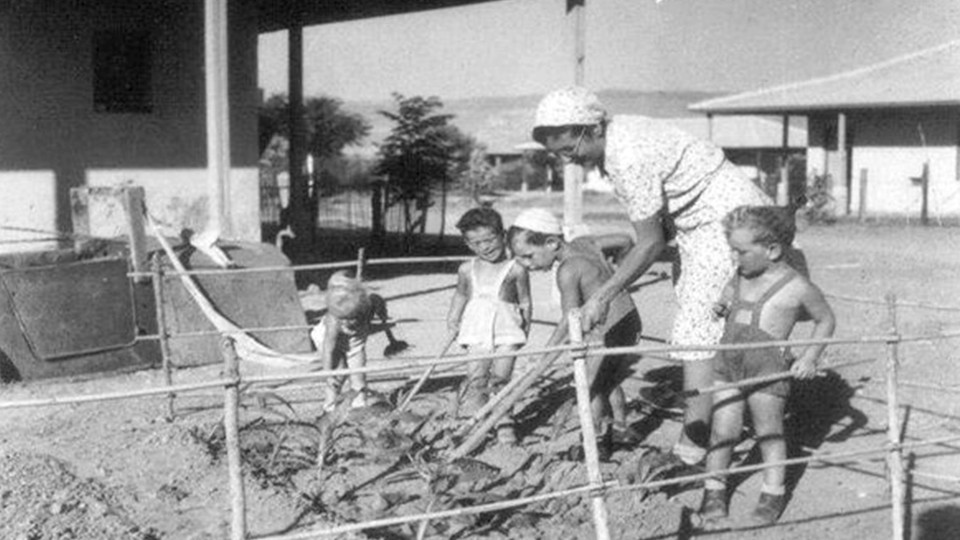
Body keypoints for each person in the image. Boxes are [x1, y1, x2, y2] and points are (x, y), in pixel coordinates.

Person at [532, 86, 777, 465]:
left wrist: (603, 294)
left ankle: (691, 448)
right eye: (559, 154)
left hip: (726, 223)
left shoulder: (627, 156)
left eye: (570, 150)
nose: (569, 161)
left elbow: (648, 243)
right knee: (708, 328)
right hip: (708, 224)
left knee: (697, 335)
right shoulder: (621, 134)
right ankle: (720, 419)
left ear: (593, 129)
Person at [698, 205, 836, 526]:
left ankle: (773, 492)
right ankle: (714, 490)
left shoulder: (796, 286)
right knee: (723, 429)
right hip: (728, 362)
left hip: (767, 368)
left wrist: (809, 357)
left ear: (772, 250)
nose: (735, 258)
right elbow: (730, 290)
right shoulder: (742, 274)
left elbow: (826, 319)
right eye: (732, 250)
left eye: (741, 252)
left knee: (768, 432)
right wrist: (722, 303)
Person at [508, 208, 642, 453]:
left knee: (588, 387)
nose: (527, 265)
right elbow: (625, 239)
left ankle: (594, 442)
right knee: (609, 379)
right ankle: (621, 429)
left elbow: (571, 321)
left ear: (551, 243)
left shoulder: (567, 270)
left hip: (607, 330)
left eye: (529, 256)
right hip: (629, 320)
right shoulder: (585, 243)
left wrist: (547, 353)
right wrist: (620, 269)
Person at [446, 207, 531, 444]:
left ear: (502, 235)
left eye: (489, 239)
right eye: (476, 243)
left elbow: (525, 301)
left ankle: (504, 423)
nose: (484, 247)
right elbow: (461, 295)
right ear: (467, 243)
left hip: (507, 332)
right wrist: (453, 318)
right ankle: (480, 421)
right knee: (477, 380)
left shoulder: (516, 269)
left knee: (501, 380)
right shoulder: (466, 269)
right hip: (475, 332)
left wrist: (526, 329)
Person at [310, 271, 388, 410]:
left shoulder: (367, 307)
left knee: (358, 373)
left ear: (361, 310)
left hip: (355, 343)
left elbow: (376, 299)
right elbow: (328, 349)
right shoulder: (334, 322)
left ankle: (359, 404)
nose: (348, 322)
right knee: (338, 372)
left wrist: (382, 313)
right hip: (327, 340)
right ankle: (329, 407)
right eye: (343, 319)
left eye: (352, 318)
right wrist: (328, 373)